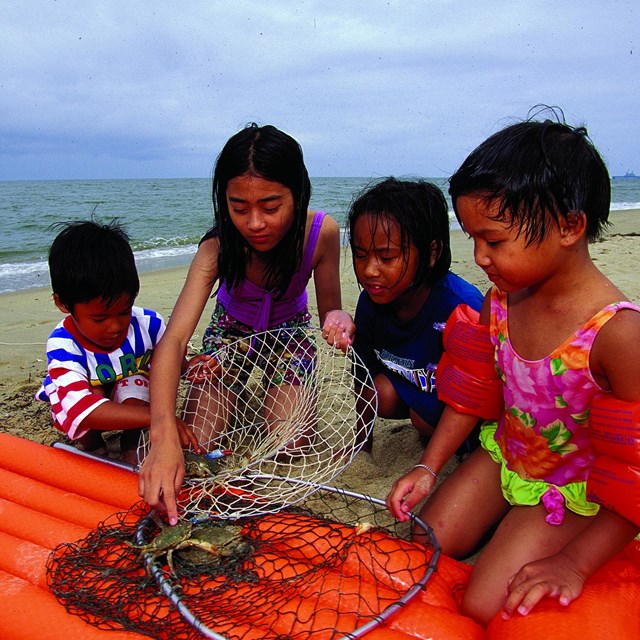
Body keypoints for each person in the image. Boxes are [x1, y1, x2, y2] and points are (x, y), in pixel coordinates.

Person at [386, 114, 640, 626]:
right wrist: (428, 466)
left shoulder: (616, 335)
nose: (479, 257)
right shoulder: (499, 302)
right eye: (472, 238)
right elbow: (474, 394)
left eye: (494, 240)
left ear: (569, 225)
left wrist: (572, 561)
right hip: (507, 454)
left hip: (571, 487)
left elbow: (636, 468)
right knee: (425, 540)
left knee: (485, 604)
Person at [138, 123, 346, 524]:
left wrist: (337, 320)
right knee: (201, 437)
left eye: (271, 207)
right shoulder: (217, 247)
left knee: (292, 443)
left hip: (289, 333)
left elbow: (328, 315)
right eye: (239, 208)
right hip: (231, 332)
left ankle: (268, 399)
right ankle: (234, 395)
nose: (254, 224)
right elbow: (176, 339)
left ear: (298, 192)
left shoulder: (322, 234)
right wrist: (163, 434)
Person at [324, 177, 483, 452]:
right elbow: (362, 378)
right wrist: (362, 447)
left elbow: (486, 394)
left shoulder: (462, 307)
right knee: (379, 393)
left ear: (431, 253)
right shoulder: (371, 303)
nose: (370, 270)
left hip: (471, 410)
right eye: (361, 255)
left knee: (423, 419)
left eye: (386, 258)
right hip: (421, 393)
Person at [36, 220, 198, 465]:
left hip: (127, 395)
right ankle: (95, 445)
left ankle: (132, 443)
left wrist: (192, 368)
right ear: (63, 303)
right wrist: (158, 418)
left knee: (137, 382)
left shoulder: (148, 325)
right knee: (87, 399)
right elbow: (81, 408)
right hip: (87, 403)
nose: (114, 326)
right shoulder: (64, 344)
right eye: (99, 318)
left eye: (124, 312)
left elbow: (172, 363)